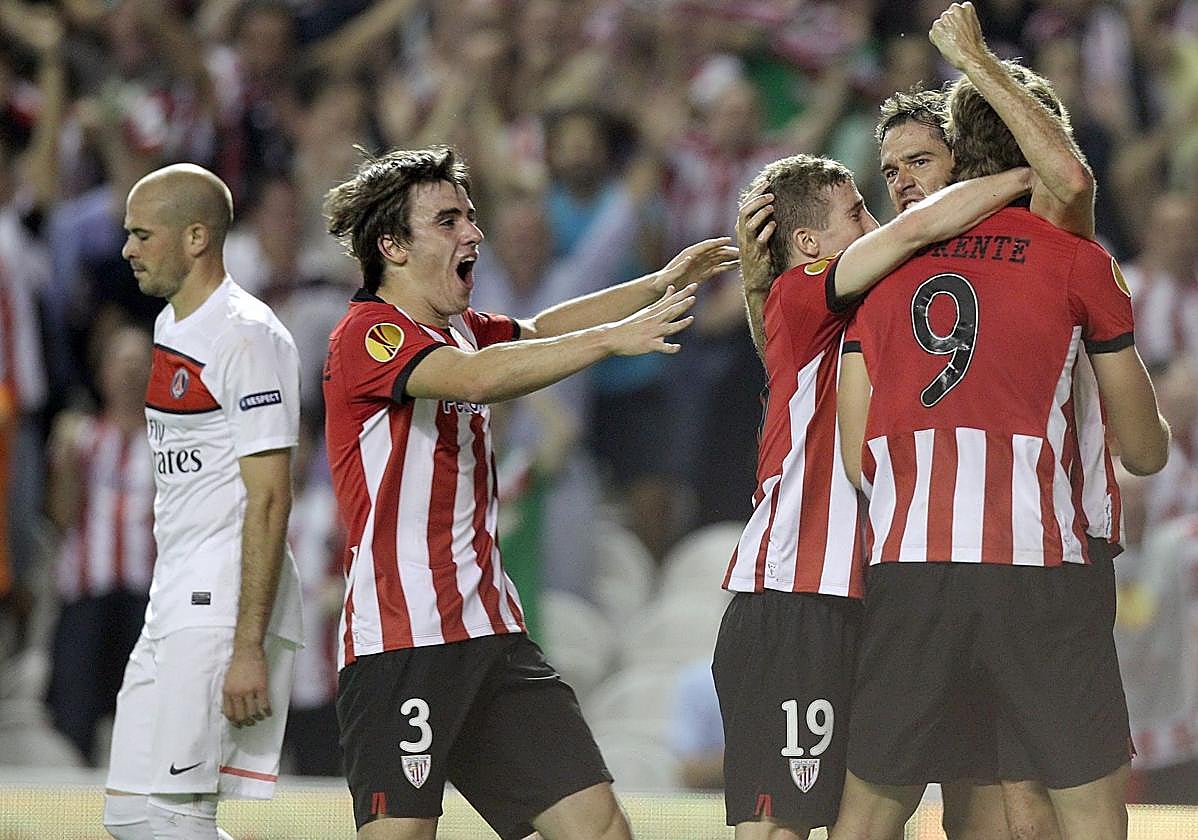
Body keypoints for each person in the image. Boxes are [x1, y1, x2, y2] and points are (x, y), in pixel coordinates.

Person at [320, 144, 737, 840]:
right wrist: (615, 340)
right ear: (391, 245)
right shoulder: (368, 334)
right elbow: (478, 379)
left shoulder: (458, 329)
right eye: (448, 220)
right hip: (405, 640)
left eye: (471, 218)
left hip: (493, 637)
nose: (472, 234)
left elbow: (542, 328)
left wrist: (658, 282)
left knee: (601, 829)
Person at [831, 37, 1171, 840]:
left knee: (894, 809)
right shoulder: (1075, 260)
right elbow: (1146, 452)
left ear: (959, 160)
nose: (906, 181)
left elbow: (857, 458)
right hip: (1044, 559)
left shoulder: (875, 279)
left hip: (911, 567)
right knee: (1061, 809)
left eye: (921, 159)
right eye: (893, 169)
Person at [718, 152, 1030, 840]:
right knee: (779, 828)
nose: (877, 218)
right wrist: (1025, 173)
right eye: (857, 210)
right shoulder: (804, 292)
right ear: (808, 246)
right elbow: (910, 234)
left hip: (873, 600)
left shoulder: (865, 313)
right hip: (794, 601)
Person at [102, 163, 304, 840]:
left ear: (195, 237)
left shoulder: (246, 334)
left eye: (141, 233)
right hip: (173, 599)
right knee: (131, 818)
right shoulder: (169, 326)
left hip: (218, 606)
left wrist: (247, 645)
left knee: (178, 817)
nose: (127, 248)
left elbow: (272, 497)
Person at [45, 324, 155, 766]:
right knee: (75, 713)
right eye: (120, 365)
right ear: (103, 373)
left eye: (138, 365)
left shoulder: (169, 441)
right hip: (88, 595)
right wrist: (65, 460)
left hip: (148, 599)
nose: (128, 376)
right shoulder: (83, 436)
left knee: (147, 717)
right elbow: (61, 516)